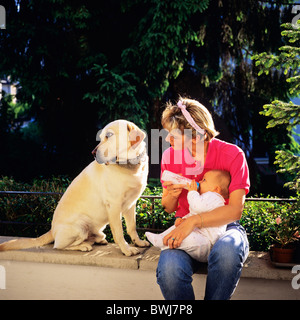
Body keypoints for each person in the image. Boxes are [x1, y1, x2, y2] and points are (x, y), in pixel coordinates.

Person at [156, 97, 250, 300]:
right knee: (170, 269)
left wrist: (195, 221)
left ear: (197, 134)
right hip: (185, 227)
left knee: (227, 252)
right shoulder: (170, 157)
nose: (167, 140)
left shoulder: (232, 155)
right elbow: (167, 207)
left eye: (174, 136)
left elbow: (235, 210)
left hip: (224, 226)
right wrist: (171, 196)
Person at [146, 170, 231, 262]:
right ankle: (161, 238)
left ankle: (164, 242)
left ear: (216, 189)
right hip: (200, 236)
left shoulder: (214, 197)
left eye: (204, 180)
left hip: (206, 243)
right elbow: (194, 214)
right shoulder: (207, 198)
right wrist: (184, 220)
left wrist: (192, 192)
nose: (200, 182)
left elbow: (196, 207)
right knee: (178, 229)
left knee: (186, 238)